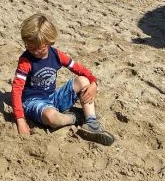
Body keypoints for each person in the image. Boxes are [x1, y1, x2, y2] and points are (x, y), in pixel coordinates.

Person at [10, 13, 115, 145]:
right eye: (29, 47)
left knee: (83, 81)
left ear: (49, 43)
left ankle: (92, 123)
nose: (34, 52)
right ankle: (75, 117)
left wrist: (94, 83)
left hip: (53, 97)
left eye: (39, 48)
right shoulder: (26, 61)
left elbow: (80, 69)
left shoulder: (56, 55)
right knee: (52, 118)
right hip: (33, 102)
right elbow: (16, 90)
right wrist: (20, 120)